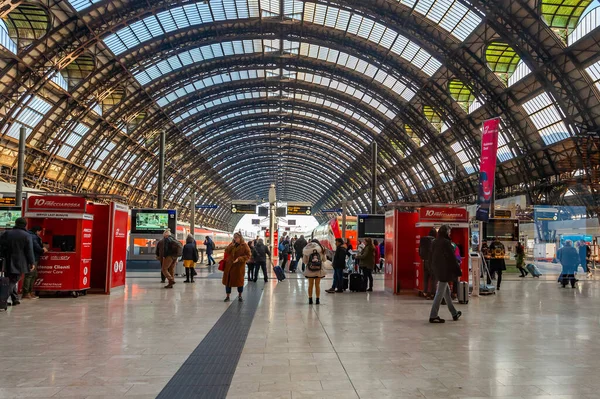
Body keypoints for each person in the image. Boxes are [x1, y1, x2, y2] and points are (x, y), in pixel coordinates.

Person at [429, 225, 462, 323]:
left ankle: (454, 313)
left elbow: (431, 256)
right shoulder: (446, 243)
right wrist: (457, 271)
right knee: (439, 293)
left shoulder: (434, 242)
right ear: (446, 232)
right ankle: (433, 315)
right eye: (449, 231)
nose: (450, 233)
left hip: (437, 269)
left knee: (446, 293)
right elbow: (451, 258)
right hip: (444, 271)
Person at [0, 217, 35, 306]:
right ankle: (2, 299)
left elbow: (1, 246)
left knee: (10, 278)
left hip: (7, 260)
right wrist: (32, 262)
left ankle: (15, 299)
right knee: (14, 280)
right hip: (20, 261)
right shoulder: (27, 235)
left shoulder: (6, 233)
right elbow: (29, 250)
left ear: (15, 223)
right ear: (25, 225)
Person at [222, 232, 251, 302]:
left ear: (240, 238)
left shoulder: (245, 246)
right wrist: (231, 245)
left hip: (238, 267)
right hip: (229, 266)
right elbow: (226, 251)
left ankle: (240, 295)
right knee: (228, 281)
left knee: (239, 282)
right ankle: (227, 296)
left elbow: (248, 256)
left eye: (236, 238)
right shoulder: (232, 244)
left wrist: (239, 259)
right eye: (234, 238)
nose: (235, 239)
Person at [24, 226, 46, 299]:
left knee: (33, 274)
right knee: (30, 275)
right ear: (37, 231)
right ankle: (27, 293)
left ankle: (29, 292)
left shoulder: (29, 235)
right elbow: (36, 246)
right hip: (32, 258)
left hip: (32, 257)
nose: (40, 233)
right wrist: (42, 250)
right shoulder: (33, 236)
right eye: (40, 232)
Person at [303, 239, 327, 304]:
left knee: (310, 285)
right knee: (317, 285)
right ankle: (317, 300)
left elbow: (304, 261)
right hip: (318, 270)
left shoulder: (307, 250)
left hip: (310, 270)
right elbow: (324, 260)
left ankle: (310, 300)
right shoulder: (321, 249)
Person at [419, 228, 437, 299]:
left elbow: (419, 250)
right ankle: (432, 294)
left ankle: (425, 292)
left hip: (424, 261)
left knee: (426, 277)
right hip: (432, 262)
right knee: (433, 278)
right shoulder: (434, 241)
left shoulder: (423, 240)